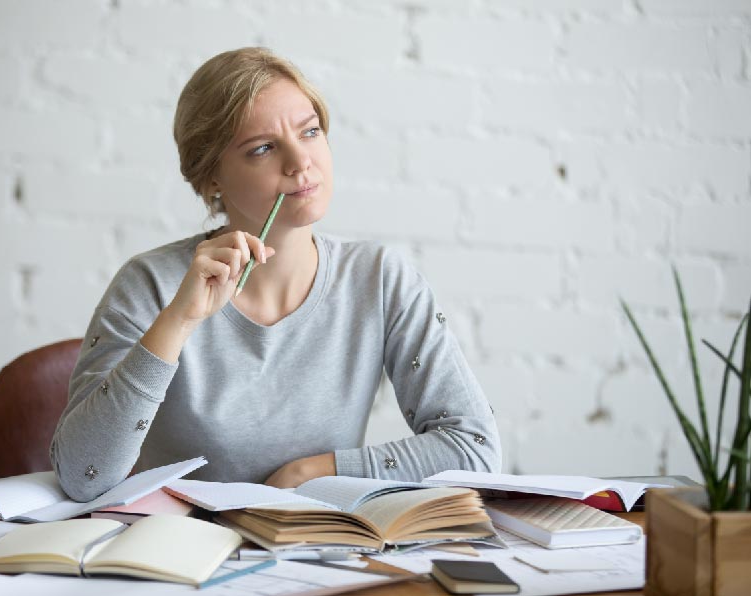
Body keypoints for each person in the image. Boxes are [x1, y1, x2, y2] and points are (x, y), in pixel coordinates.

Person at [50, 47, 501, 503]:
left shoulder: (382, 279)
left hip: (319, 554)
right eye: (263, 148)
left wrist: (316, 472)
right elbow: (82, 476)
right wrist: (179, 322)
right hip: (178, 562)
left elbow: (476, 450)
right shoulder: (149, 284)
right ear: (211, 180)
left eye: (310, 131)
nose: (300, 162)